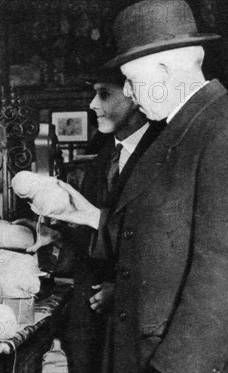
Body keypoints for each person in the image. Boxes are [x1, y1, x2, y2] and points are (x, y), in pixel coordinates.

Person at [36, 1, 228, 372]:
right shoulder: (180, 130)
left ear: (164, 68)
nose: (129, 91)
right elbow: (158, 235)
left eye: (132, 79)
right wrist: (87, 215)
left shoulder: (224, 134)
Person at [59, 69, 163, 373]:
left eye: (104, 94)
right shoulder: (104, 154)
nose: (92, 104)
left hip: (134, 318)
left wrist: (122, 288)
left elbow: (165, 240)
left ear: (133, 94)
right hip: (91, 315)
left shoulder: (163, 151)